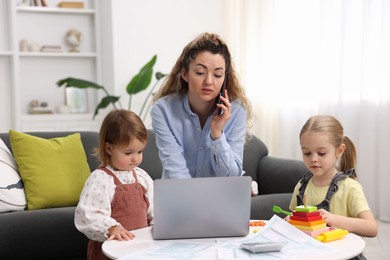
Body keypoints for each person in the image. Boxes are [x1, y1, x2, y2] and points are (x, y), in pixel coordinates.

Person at [151, 32, 255, 181]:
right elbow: (175, 170)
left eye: (218, 75)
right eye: (200, 72)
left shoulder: (237, 111)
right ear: (185, 74)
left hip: (219, 199)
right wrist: (195, 201)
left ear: (225, 78)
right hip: (179, 197)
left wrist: (217, 134)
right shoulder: (163, 110)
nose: (209, 82)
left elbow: (232, 177)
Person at [74, 109, 153, 260]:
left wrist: (160, 226)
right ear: (109, 149)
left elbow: (155, 208)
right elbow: (88, 215)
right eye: (128, 153)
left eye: (140, 151)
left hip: (140, 249)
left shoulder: (142, 176)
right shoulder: (101, 179)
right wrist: (111, 228)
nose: (135, 159)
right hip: (110, 252)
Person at [289, 115, 377, 238]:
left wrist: (335, 220)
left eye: (321, 153)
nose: (313, 159)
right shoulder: (301, 186)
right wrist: (288, 221)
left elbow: (371, 228)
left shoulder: (350, 187)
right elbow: (294, 223)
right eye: (307, 153)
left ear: (339, 151)